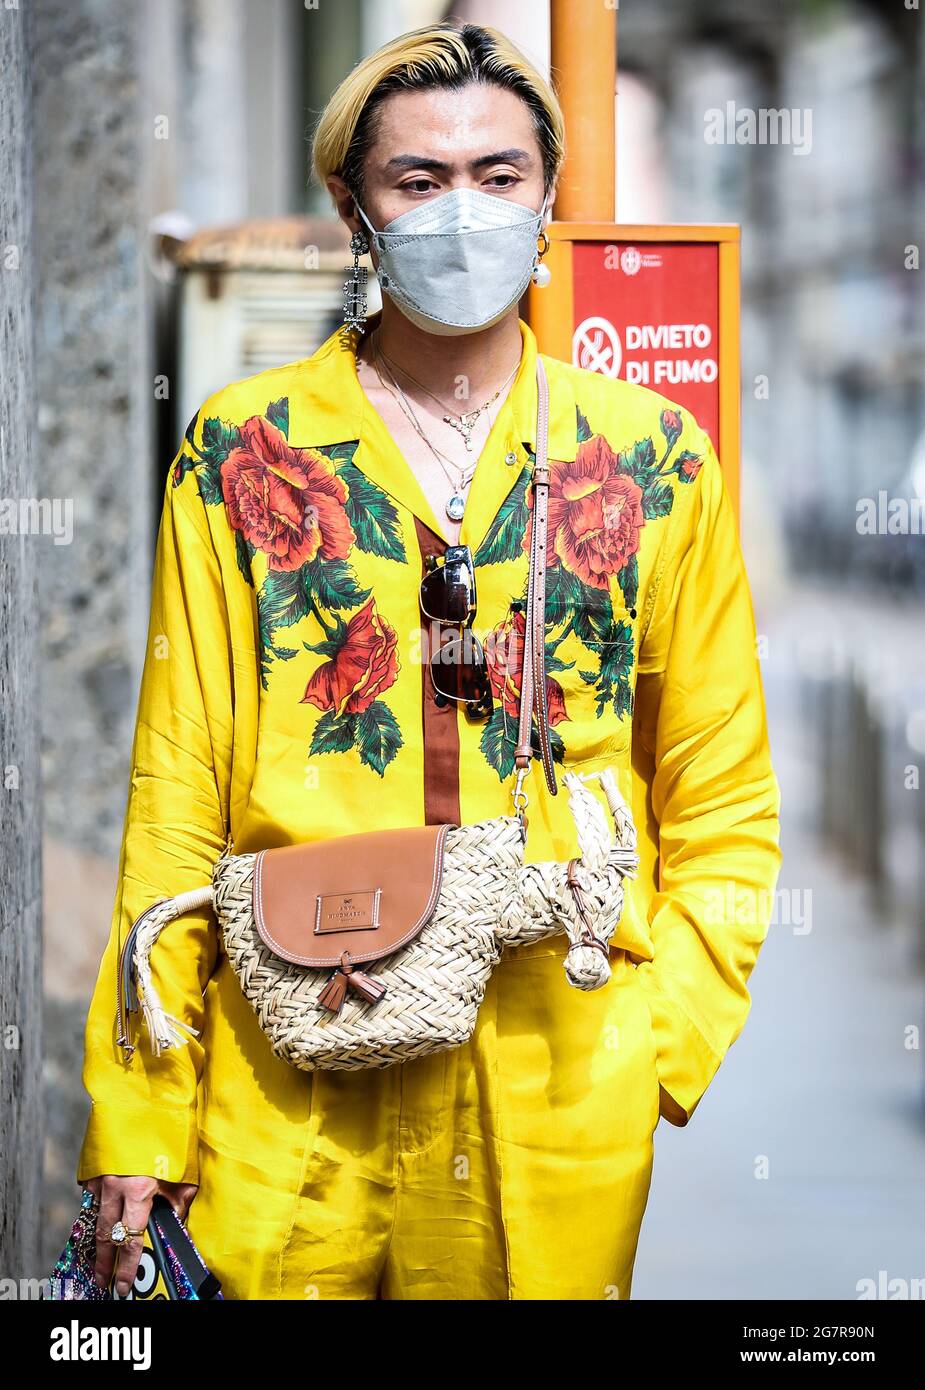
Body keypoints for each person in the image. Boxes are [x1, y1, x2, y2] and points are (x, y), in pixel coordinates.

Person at [77, 21, 782, 1301]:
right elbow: (175, 790)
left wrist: (657, 1042)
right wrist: (140, 1108)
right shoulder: (244, 452)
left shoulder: (655, 458)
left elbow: (722, 793)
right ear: (353, 205)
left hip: (559, 1081)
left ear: (549, 198)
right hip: (290, 1065)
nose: (464, 210)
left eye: (498, 176)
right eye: (420, 180)